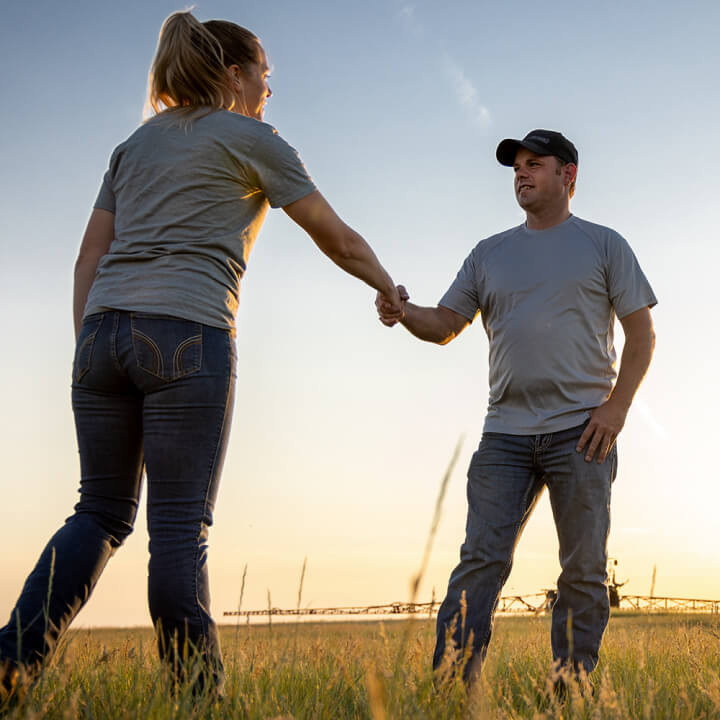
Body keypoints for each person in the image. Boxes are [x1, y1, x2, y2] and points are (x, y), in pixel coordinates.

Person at [0, 10, 402, 699]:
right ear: (234, 75)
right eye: (265, 77)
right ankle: (195, 696)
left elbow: (87, 256)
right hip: (187, 333)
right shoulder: (253, 138)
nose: (269, 92)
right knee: (180, 526)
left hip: (101, 335)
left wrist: (89, 346)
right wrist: (387, 286)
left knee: (97, 512)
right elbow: (334, 236)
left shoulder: (133, 146)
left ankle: (11, 663)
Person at [376, 129, 656, 688]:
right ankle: (453, 692)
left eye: (535, 164)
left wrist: (617, 408)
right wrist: (402, 310)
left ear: (568, 174)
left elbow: (642, 333)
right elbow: (443, 326)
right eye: (515, 168)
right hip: (504, 435)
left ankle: (568, 691)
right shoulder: (489, 253)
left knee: (583, 571)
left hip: (583, 432)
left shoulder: (604, 244)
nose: (521, 174)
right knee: (479, 562)